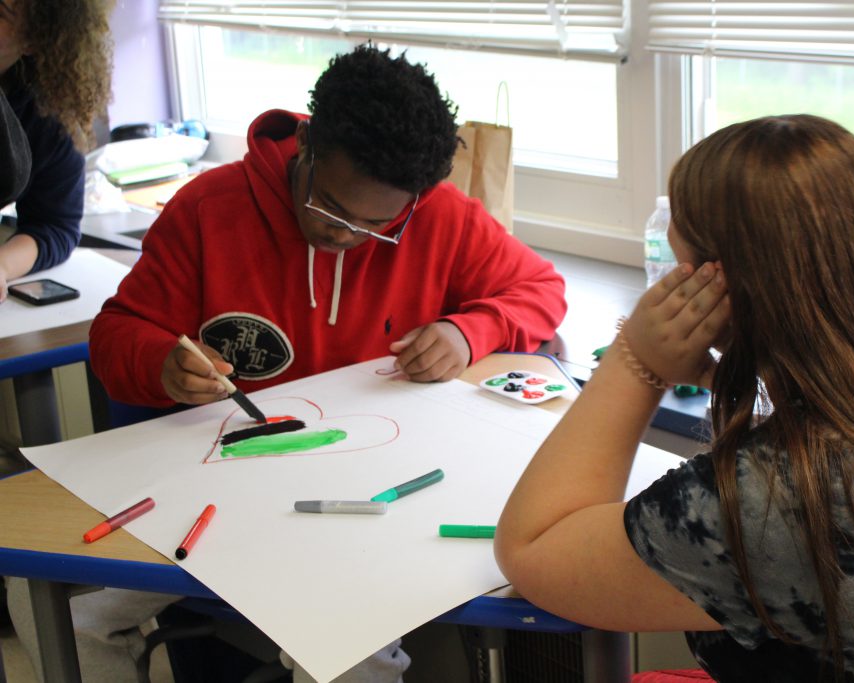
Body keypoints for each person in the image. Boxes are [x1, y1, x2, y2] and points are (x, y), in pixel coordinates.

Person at [15, 44, 564, 683]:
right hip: (218, 493)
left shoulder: (439, 215)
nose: (345, 236)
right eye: (331, 207)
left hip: (371, 497)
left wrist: (472, 330)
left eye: (376, 224)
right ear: (307, 147)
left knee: (344, 654)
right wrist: (160, 361)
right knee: (46, 599)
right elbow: (116, 334)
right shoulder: (207, 209)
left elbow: (541, 291)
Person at [495, 114, 854, 681]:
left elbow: (533, 549)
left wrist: (637, 363)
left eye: (680, 268)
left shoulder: (783, 491)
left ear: (717, 287)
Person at [0, 0, 112, 301]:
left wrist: (3, 265)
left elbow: (53, 224)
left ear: (34, 39)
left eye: (1, 12)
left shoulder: (46, 113)